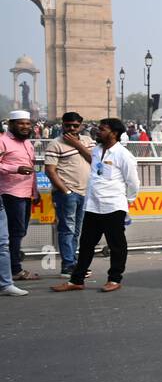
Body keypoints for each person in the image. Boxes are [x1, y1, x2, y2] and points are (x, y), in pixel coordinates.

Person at [51, 118, 139, 293]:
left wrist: (127, 201)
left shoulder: (123, 155)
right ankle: (77, 279)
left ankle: (114, 279)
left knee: (116, 244)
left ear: (114, 133)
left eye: (102, 129)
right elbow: (94, 163)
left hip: (113, 205)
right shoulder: (97, 150)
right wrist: (77, 144)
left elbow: (133, 182)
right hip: (93, 205)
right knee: (86, 244)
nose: (97, 132)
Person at [44, 111, 94, 275]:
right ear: (62, 125)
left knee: (77, 230)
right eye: (68, 125)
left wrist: (78, 145)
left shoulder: (87, 141)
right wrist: (65, 191)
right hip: (67, 193)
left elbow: (95, 161)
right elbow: (50, 171)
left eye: (75, 126)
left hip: (85, 192)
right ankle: (68, 265)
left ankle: (73, 263)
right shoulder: (55, 144)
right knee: (67, 229)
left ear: (81, 126)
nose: (72, 129)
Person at [0, 109, 40, 284]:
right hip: (9, 193)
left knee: (19, 231)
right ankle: (14, 269)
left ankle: (12, 267)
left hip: (25, 193)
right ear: (11, 124)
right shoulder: (3, 141)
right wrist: (15, 169)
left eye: (27, 123)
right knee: (14, 233)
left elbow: (31, 169)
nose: (25, 127)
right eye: (21, 123)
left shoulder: (28, 143)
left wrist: (35, 191)